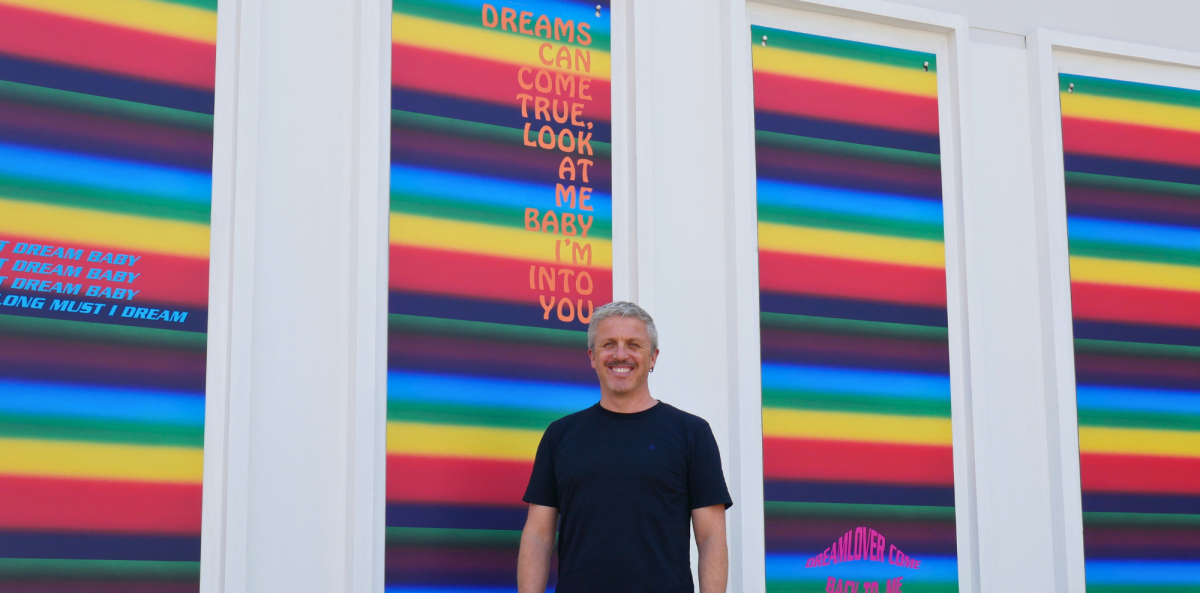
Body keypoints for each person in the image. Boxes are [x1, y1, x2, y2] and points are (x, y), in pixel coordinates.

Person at [517, 301, 732, 592]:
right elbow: (538, 536)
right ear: (592, 356)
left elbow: (711, 538)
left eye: (634, 344)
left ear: (653, 357)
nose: (621, 354)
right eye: (609, 344)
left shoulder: (692, 434)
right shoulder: (560, 435)